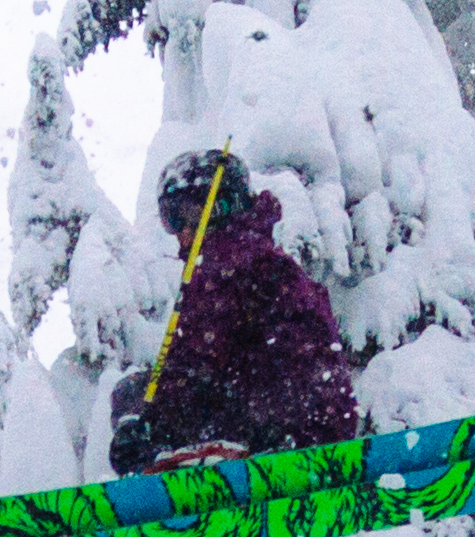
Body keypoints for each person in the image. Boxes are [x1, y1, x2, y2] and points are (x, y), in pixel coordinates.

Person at [107, 150, 364, 473]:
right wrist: (140, 422)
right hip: (275, 422)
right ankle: (169, 465)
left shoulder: (244, 265)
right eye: (169, 219)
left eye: (185, 215)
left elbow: (309, 362)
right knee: (136, 392)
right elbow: (190, 372)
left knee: (144, 391)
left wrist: (287, 431)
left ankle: (200, 459)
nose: (180, 232)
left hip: (283, 430)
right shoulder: (218, 272)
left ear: (219, 208)